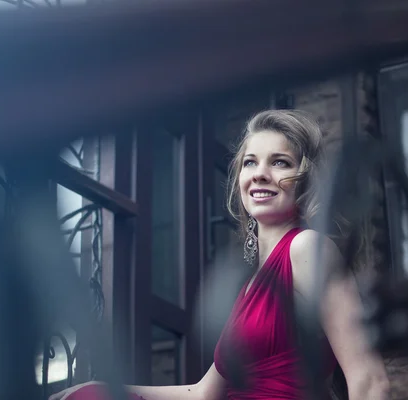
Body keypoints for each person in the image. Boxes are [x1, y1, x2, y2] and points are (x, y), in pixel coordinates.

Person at [49, 110, 390, 400]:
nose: (259, 173)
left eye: (280, 162)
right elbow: (201, 394)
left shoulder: (307, 248)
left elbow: (369, 380)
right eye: (250, 162)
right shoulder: (247, 287)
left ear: (303, 179)